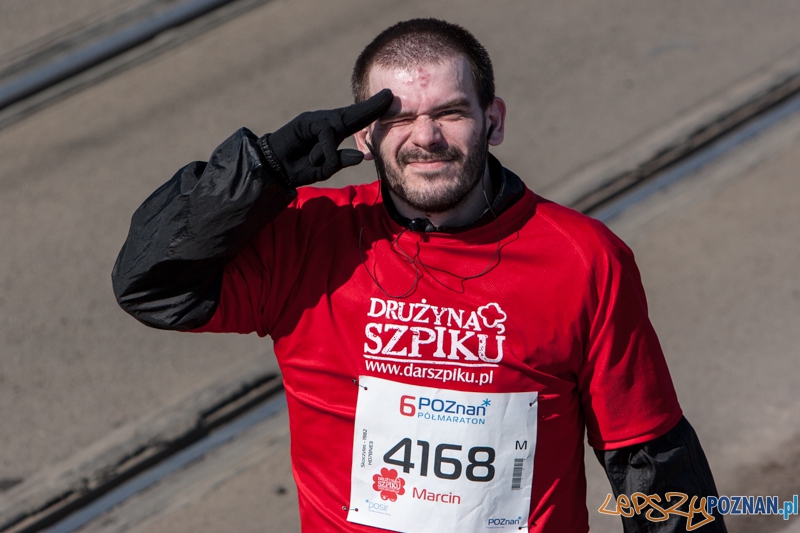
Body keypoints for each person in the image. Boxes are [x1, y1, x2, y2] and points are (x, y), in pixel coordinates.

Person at [112, 18, 725, 533]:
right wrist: (262, 170)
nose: (426, 138)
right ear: (365, 133)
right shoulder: (307, 237)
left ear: (495, 120)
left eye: (451, 112)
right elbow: (152, 286)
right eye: (399, 118)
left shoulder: (584, 257)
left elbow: (649, 461)